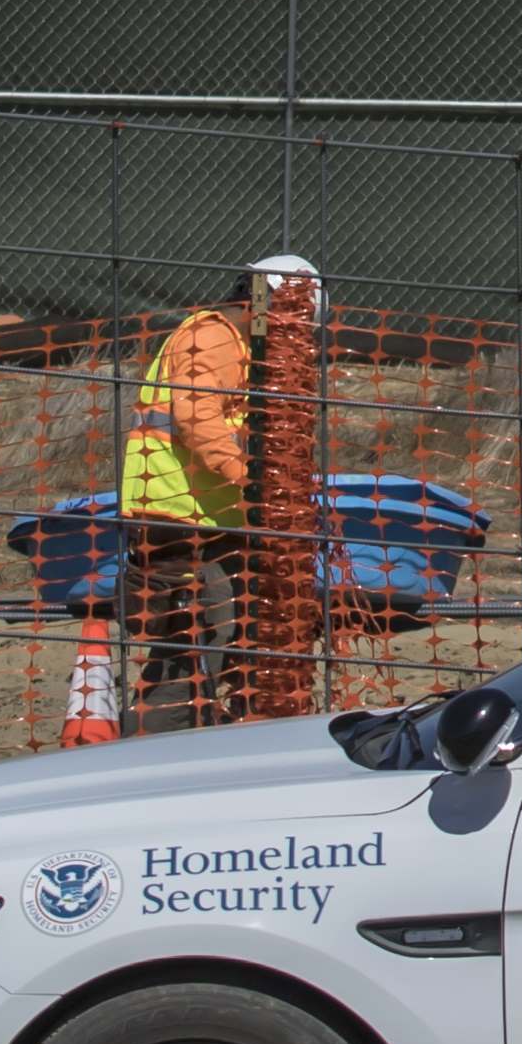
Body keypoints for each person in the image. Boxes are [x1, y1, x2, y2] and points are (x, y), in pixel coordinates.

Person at [121, 252, 317, 727]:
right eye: (294, 316)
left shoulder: (243, 346)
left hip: (210, 518)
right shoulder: (213, 336)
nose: (297, 332)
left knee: (225, 637)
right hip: (175, 514)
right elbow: (197, 417)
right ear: (264, 301)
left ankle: (209, 731)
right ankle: (156, 741)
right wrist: (253, 482)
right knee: (204, 639)